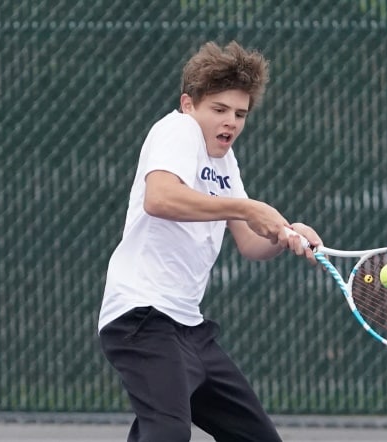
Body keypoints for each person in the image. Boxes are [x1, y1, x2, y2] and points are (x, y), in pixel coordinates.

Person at [98, 40, 322, 442]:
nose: (231, 123)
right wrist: (250, 208)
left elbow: (250, 244)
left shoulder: (224, 161)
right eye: (219, 110)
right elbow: (160, 198)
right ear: (189, 104)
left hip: (189, 328)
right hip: (142, 317)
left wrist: (287, 236)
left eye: (240, 114)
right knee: (167, 433)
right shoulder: (176, 129)